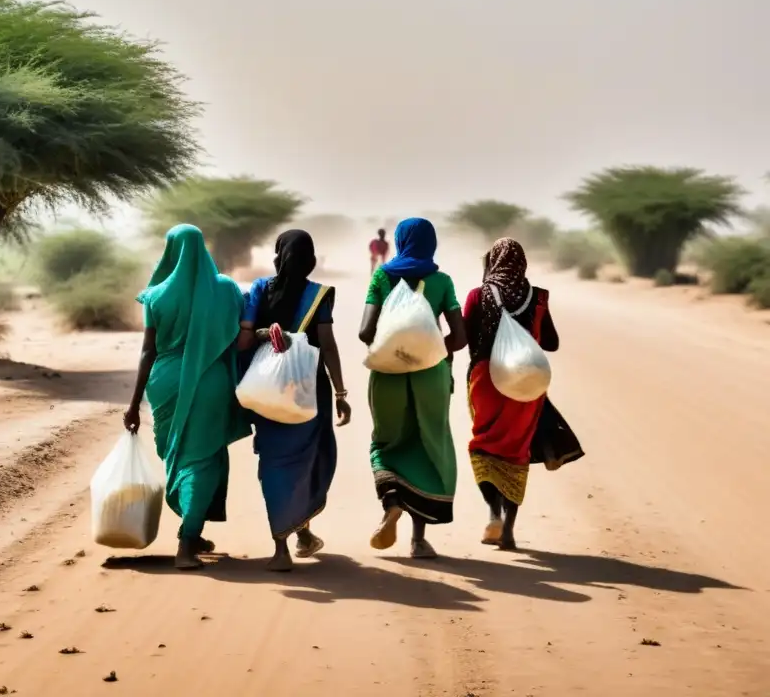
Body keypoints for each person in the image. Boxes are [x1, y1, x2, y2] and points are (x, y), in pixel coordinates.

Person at [124, 224, 251, 570]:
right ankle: (186, 543)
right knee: (203, 458)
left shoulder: (156, 294)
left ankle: (192, 533)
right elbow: (240, 338)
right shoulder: (226, 289)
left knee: (179, 454)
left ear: (170, 250)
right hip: (210, 380)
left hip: (164, 382)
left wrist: (134, 403)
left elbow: (147, 352)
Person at [239, 230, 352, 572]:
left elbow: (242, 342)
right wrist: (340, 392)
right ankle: (301, 532)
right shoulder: (319, 295)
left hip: (268, 390)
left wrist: (261, 334)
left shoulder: (259, 289)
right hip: (308, 390)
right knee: (307, 462)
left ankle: (282, 546)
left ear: (278, 255)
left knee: (274, 464)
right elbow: (328, 344)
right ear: (311, 260)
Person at [463, 237, 584, 551]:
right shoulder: (539, 297)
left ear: (492, 263)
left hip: (485, 381)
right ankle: (509, 531)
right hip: (527, 384)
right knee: (516, 450)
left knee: (484, 445)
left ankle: (492, 513)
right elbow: (552, 343)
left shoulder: (478, 295)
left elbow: (464, 338)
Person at [359, 218, 467, 559]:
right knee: (428, 442)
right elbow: (460, 337)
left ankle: (391, 503)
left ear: (400, 241)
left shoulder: (382, 276)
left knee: (386, 440)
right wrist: (429, 353)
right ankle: (419, 540)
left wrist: (397, 351)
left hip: (389, 374)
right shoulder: (442, 281)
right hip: (431, 377)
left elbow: (365, 332)